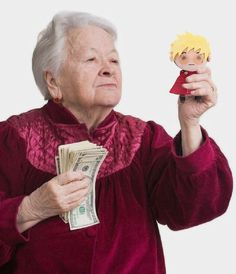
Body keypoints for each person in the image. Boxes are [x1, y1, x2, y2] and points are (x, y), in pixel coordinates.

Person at [0, 11, 233, 274]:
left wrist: (190, 124)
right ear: (53, 82)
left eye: (114, 59)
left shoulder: (143, 139)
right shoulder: (12, 139)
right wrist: (30, 208)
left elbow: (193, 209)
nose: (108, 68)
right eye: (91, 59)